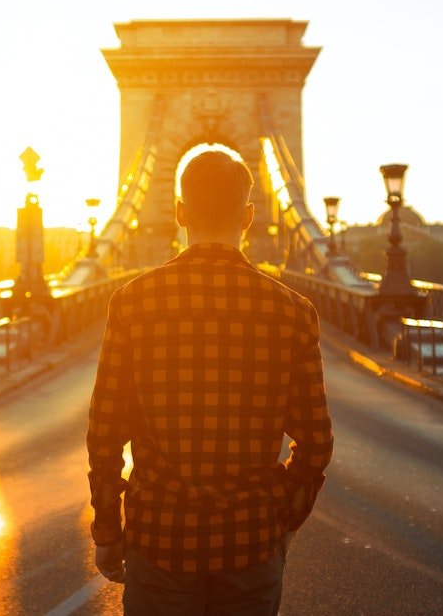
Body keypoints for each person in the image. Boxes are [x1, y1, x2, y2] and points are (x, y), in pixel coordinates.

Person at [87, 150, 334, 615]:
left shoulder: (132, 304)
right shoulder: (294, 313)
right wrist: (281, 519)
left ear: (180, 212)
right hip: (251, 547)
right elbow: (316, 443)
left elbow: (104, 437)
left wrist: (107, 532)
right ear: (248, 217)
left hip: (159, 541)